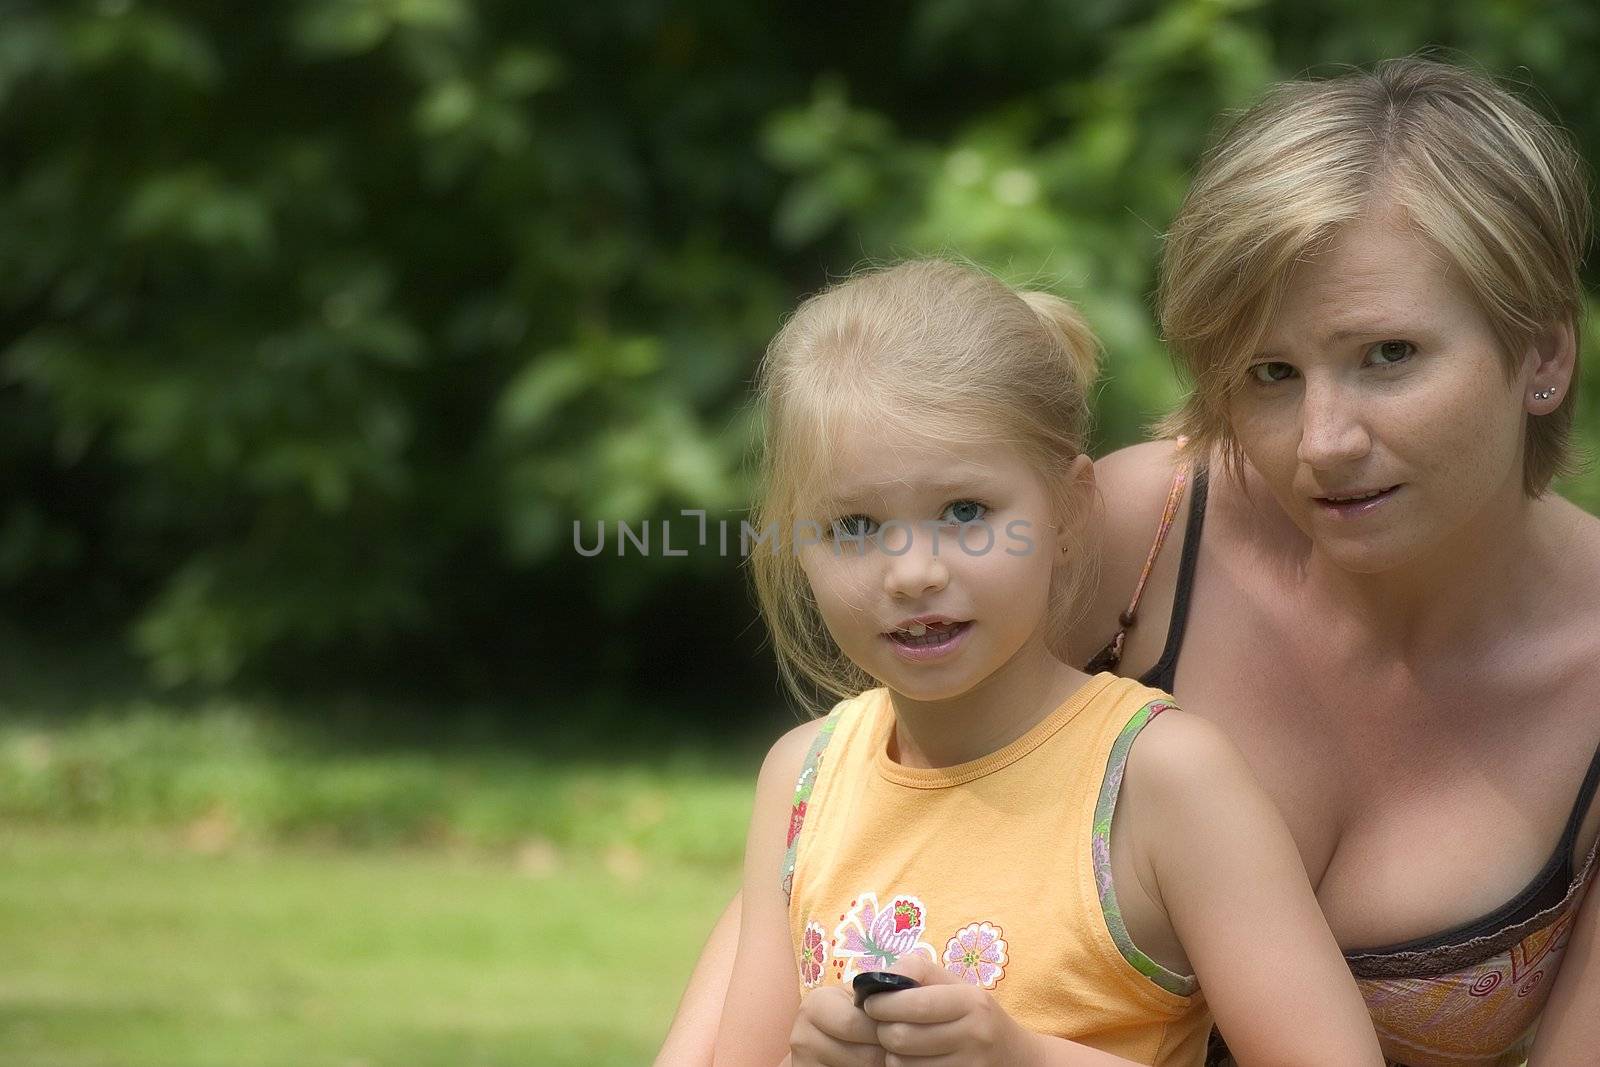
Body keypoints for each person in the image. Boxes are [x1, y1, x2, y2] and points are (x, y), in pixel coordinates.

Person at [656, 58, 1600, 1067]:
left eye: (1389, 355)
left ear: (1542, 356)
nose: (1323, 438)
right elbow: (842, 843)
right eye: (1270, 373)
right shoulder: (1132, 533)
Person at [709, 257, 1383, 1067]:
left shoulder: (1161, 780)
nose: (912, 570)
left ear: (1067, 509)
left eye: (965, 511)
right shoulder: (802, 780)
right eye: (853, 525)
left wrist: (1021, 1057)